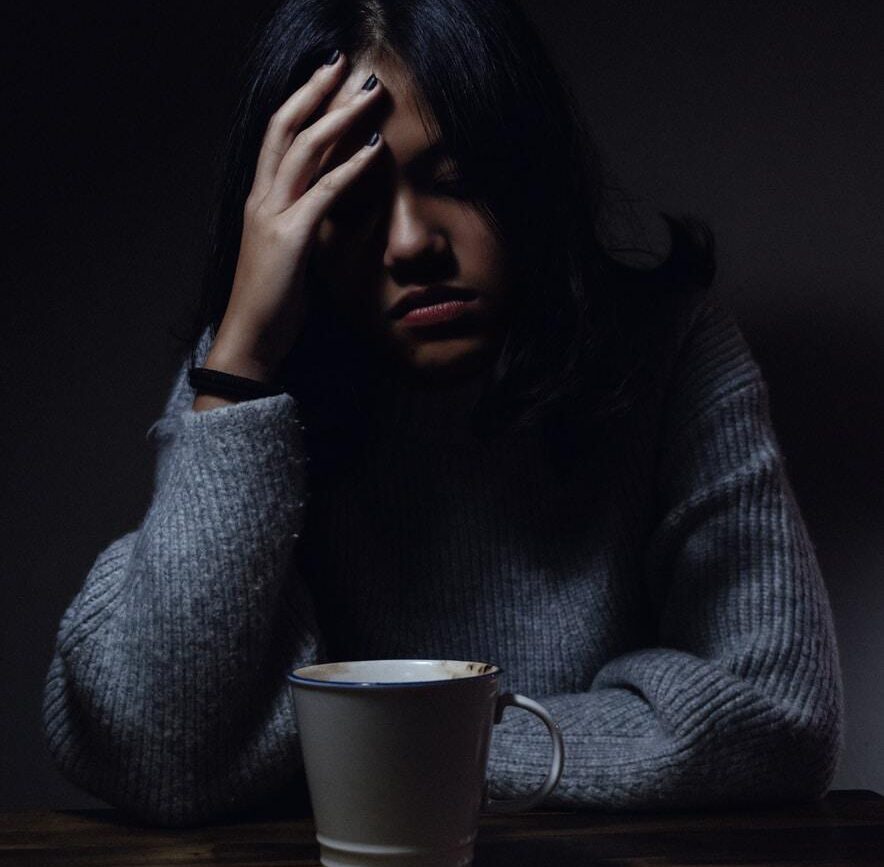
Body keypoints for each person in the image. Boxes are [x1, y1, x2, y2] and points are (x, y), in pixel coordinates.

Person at [42, 0, 844, 829]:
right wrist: (238, 365)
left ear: (532, 176)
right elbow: (156, 747)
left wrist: (378, 752)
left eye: (457, 181)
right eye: (349, 200)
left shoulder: (671, 353)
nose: (410, 242)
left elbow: (779, 714)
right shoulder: (252, 379)